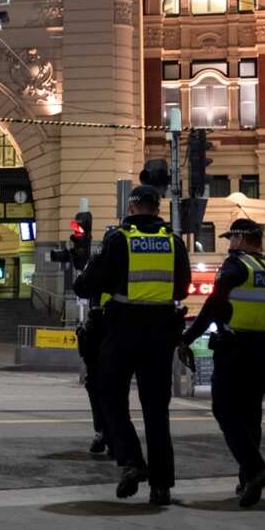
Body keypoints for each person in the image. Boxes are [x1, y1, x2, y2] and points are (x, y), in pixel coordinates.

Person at [73, 186, 190, 504]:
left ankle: (132, 463)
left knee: (110, 397)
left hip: (123, 328)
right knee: (156, 410)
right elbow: (183, 285)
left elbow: (88, 284)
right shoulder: (173, 242)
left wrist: (87, 279)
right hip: (161, 331)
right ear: (157, 208)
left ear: (133, 205)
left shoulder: (119, 239)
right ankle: (162, 485)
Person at [179, 218, 265, 508]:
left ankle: (255, 469)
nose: (230, 243)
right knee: (251, 416)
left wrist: (187, 338)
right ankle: (247, 481)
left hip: (234, 349)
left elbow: (213, 306)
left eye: (231, 238)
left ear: (240, 238)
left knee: (224, 410)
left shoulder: (235, 266)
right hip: (263, 350)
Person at [76, 296, 111, 458]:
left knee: (98, 404)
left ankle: (101, 435)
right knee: (116, 404)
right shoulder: (114, 326)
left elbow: (84, 352)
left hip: (95, 372)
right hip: (113, 371)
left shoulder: (90, 328)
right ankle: (113, 440)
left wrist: (80, 334)